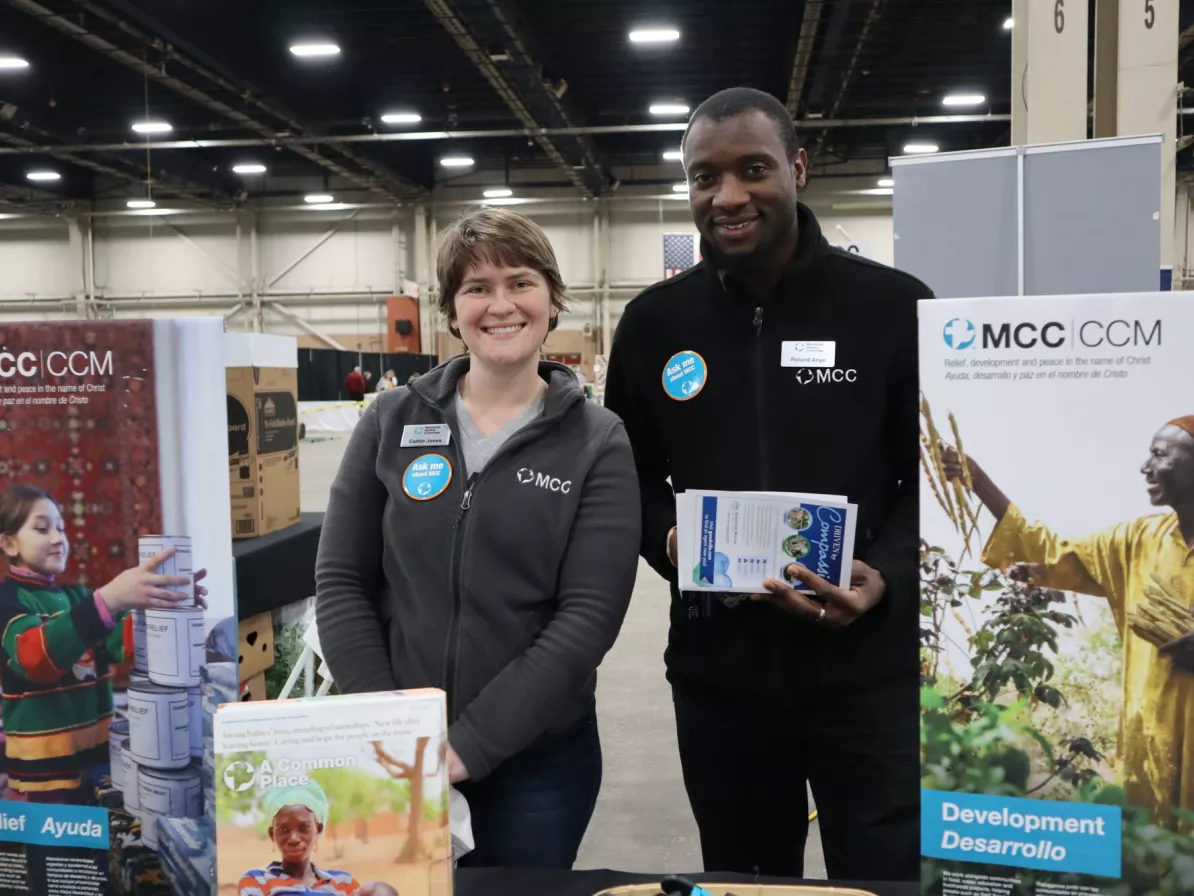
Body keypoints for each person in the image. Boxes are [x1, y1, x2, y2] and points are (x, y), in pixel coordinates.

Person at [604, 87, 932, 881]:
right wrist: (668, 538)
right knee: (745, 879)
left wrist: (886, 574)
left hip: (868, 672)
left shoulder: (893, 308)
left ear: (798, 167)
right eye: (703, 176)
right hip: (722, 677)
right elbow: (624, 473)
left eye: (752, 169)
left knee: (884, 875)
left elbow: (931, 473)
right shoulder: (653, 324)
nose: (727, 196)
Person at [315, 208, 640, 869]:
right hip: (395, 753)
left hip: (537, 766)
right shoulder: (390, 420)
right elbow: (342, 581)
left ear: (552, 299)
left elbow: (588, 617)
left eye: (520, 282)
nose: (501, 305)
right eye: (477, 288)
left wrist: (468, 746)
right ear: (451, 310)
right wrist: (392, 729)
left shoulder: (597, 440)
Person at [941, 417, 1194, 827]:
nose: (1144, 467)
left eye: (1159, 454)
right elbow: (1050, 550)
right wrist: (978, 480)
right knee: (1151, 853)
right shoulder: (1138, 540)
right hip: (1151, 744)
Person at [0, 484, 204, 803]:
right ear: (9, 543)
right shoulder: (8, 601)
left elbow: (120, 643)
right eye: (42, 528)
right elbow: (37, 658)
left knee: (100, 829)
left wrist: (169, 607)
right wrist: (109, 598)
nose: (57, 538)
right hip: (42, 773)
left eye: (61, 529)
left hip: (97, 757)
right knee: (57, 834)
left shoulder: (78, 597)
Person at [237, 780, 363, 896]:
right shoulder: (256, 881)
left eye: (304, 828)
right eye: (283, 830)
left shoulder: (343, 883)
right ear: (272, 834)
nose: (293, 839)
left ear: (318, 829)